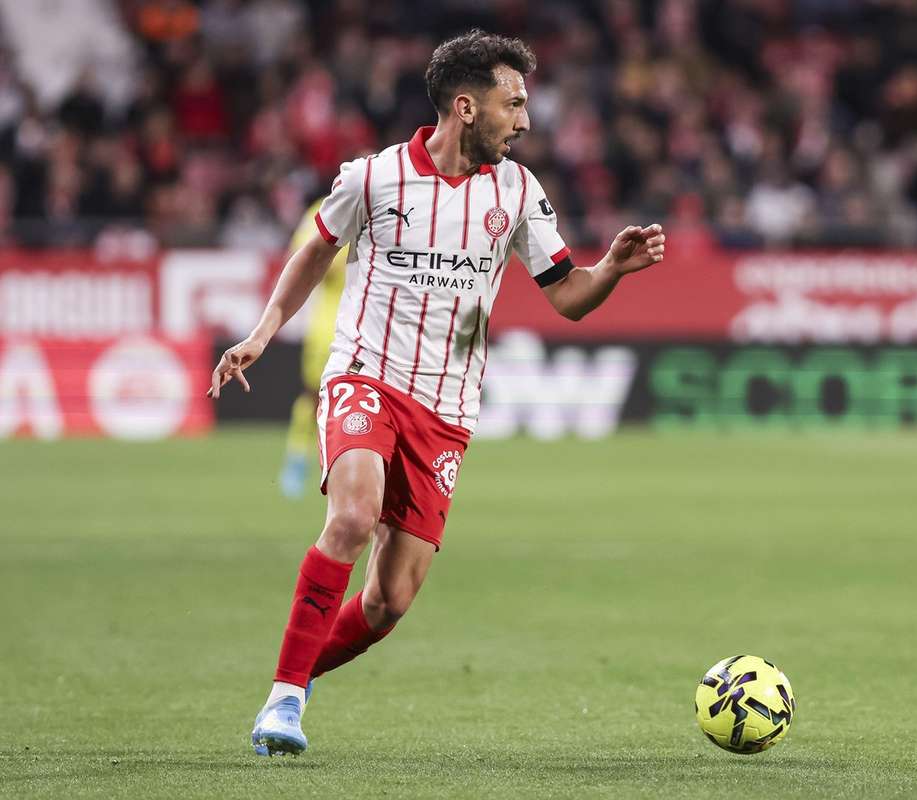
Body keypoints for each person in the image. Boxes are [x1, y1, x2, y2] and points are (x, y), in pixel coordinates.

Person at [208, 30, 667, 756]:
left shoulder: (518, 192)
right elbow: (316, 251)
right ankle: (286, 704)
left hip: (446, 411)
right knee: (353, 515)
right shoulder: (373, 177)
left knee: (389, 603)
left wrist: (610, 266)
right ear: (465, 106)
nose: (524, 119)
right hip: (366, 375)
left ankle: (289, 679)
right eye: (512, 103)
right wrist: (263, 333)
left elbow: (569, 298)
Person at [278, 197, 348, 499]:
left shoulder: (396, 202)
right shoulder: (326, 208)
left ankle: (347, 468)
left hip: (376, 325)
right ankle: (297, 459)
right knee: (315, 396)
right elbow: (300, 258)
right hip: (328, 327)